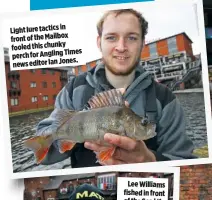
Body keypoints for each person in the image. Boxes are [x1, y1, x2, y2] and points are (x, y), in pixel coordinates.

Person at [36, 9, 196, 168]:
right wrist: (61, 139)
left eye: (132, 38)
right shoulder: (74, 90)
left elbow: (186, 163)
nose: (121, 47)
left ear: (142, 43)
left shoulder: (165, 99)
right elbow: (41, 150)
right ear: (99, 43)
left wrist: (152, 162)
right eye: (111, 37)